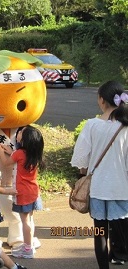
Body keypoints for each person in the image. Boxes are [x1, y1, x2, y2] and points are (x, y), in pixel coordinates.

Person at [71, 80, 128, 269]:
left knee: (100, 232)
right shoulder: (126, 127)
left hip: (98, 188)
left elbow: (81, 159)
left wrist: (82, 176)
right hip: (121, 188)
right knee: (124, 230)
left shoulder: (92, 125)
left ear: (102, 100)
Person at [0, 125, 45, 259]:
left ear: (24, 139)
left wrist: (0, 150)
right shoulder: (32, 153)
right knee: (29, 219)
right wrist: (10, 149)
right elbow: (16, 155)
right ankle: (29, 244)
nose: (18, 132)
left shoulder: (19, 154)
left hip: (22, 192)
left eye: (22, 132)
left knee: (25, 222)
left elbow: (7, 163)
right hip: (33, 191)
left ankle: (27, 249)